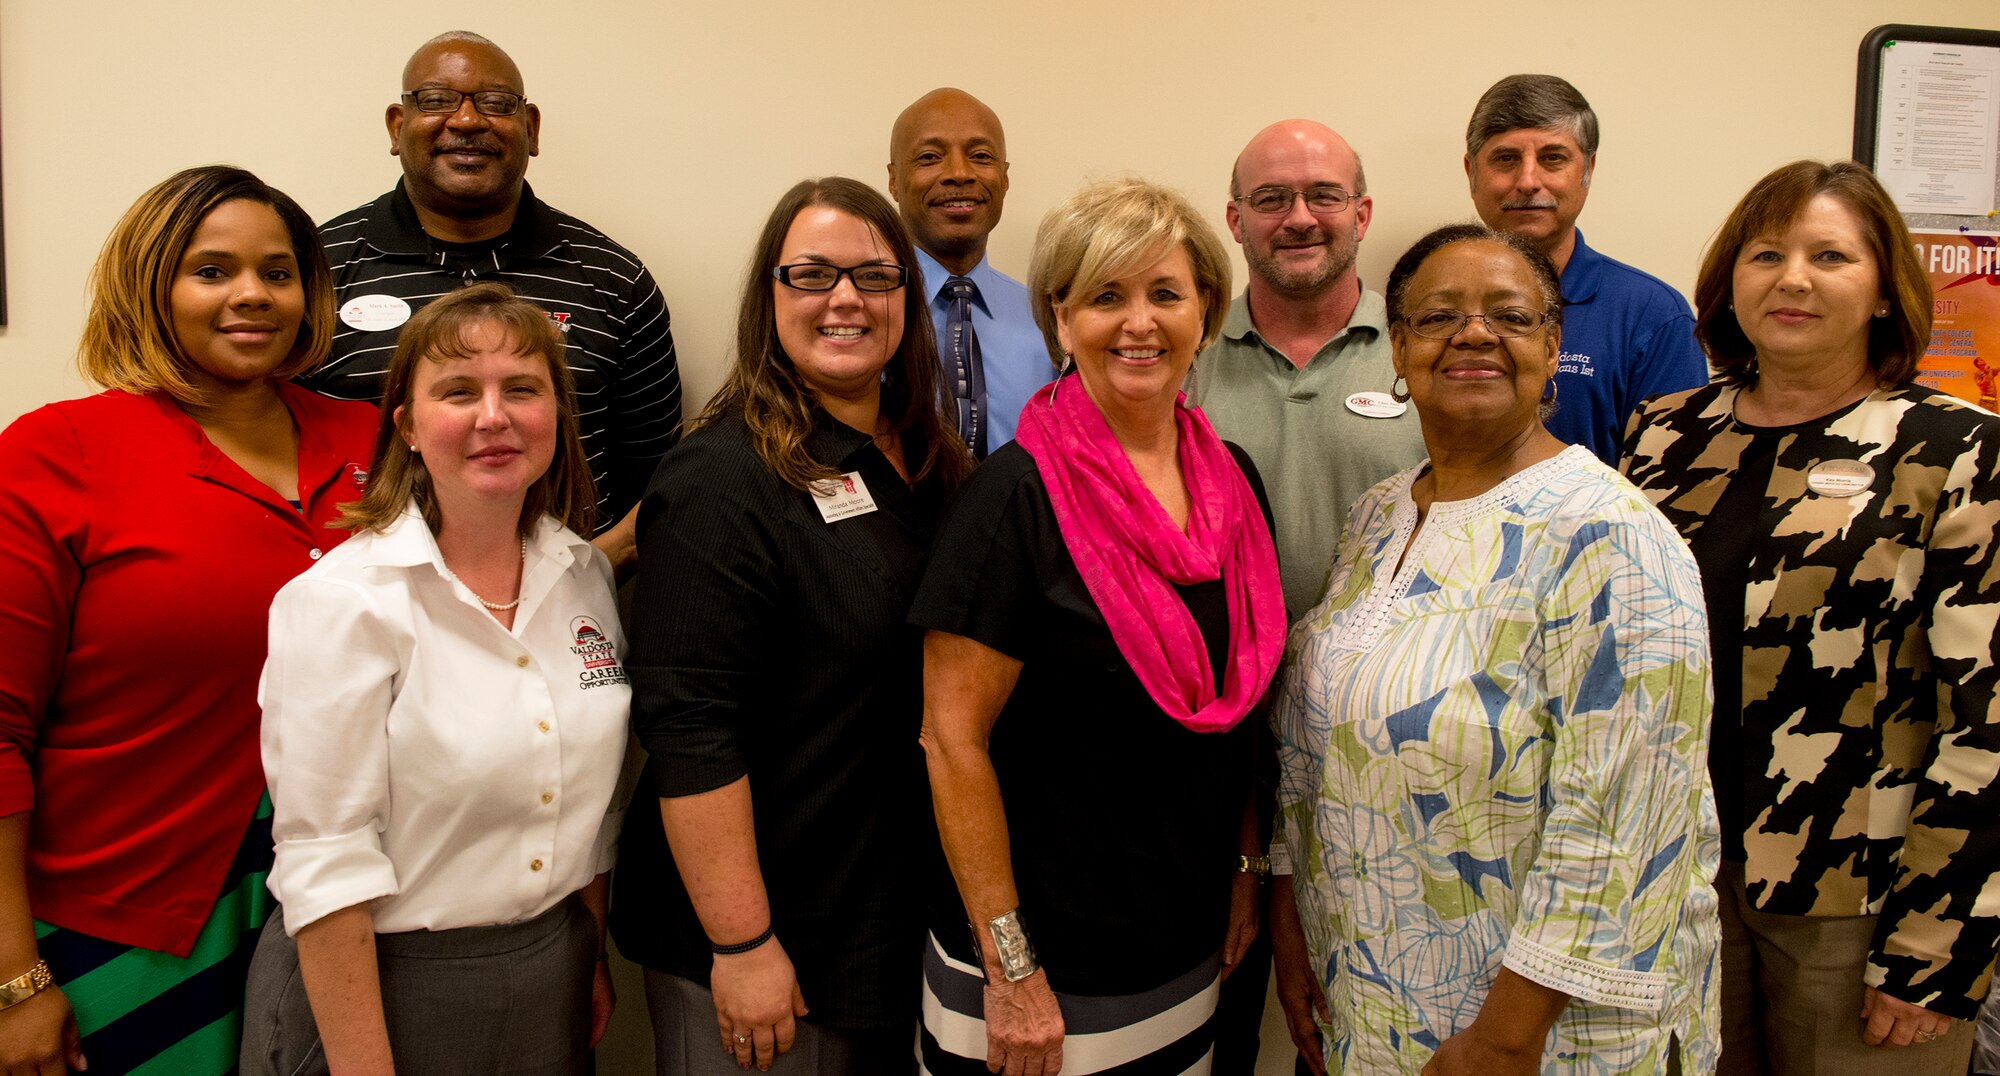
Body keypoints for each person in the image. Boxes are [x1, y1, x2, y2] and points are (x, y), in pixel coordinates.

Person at [1271, 223, 1720, 1075]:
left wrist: (1507, 1036)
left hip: (1538, 1037)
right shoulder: (1378, 516)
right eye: (1438, 317)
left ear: (1552, 348)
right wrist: (1297, 927)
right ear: (1398, 351)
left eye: (1509, 317)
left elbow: (1626, 821)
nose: (1473, 333)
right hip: (1375, 1001)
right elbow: (1315, 744)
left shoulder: (1612, 536)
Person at [1620, 160, 2000, 1074]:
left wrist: (1936, 947)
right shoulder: (1664, 435)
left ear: (1882, 290)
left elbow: (1989, 720)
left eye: (1830, 255)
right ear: (1729, 281)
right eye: (1765, 254)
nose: (1792, 278)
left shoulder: (1956, 447)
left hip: (1861, 903)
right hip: (1677, 880)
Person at [0, 165, 375, 1074]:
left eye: (278, 273)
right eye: (212, 271)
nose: (252, 294)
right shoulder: (58, 453)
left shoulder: (373, 441)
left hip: (340, 908)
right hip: (124, 915)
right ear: (151, 285)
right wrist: (13, 978)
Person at [917, 178, 1286, 1076]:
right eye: (1106, 297)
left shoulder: (1232, 482)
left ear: (1206, 309)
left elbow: (1233, 709)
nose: (1139, 323)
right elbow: (950, 741)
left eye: (1165, 293)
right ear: (1061, 316)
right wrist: (1012, 971)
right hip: (1039, 966)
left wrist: (1243, 871)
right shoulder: (1012, 498)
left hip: (1183, 939)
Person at [611, 176, 971, 1075]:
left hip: (882, 924)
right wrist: (742, 944)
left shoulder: (928, 458)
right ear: (767, 298)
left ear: (905, 300)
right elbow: (689, 729)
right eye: (811, 274)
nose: (844, 298)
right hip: (763, 947)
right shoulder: (718, 481)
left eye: (873, 276)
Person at [243, 283, 628, 1075]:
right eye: (459, 391)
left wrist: (586, 955)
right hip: (379, 987)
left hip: (551, 969)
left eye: (523, 388)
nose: (495, 416)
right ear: (408, 427)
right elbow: (326, 865)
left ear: (557, 414)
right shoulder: (341, 604)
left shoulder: (584, 575)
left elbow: (597, 810)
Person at [307, 30, 683, 573]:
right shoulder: (315, 272)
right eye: (435, 100)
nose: (465, 121)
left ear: (530, 129)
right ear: (397, 125)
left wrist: (576, 582)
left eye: (495, 103)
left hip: (564, 610)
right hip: (367, 608)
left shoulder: (613, 280)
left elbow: (653, 476)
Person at [1192, 119, 1427, 619]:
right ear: (1235, 220)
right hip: (1224, 685)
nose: (1299, 218)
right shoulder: (1185, 359)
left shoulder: (1425, 352)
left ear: (1361, 216)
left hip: (1383, 685)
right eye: (1271, 199)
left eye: (1324, 195)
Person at [1464, 74, 1706, 465]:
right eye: (1506, 159)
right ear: (1470, 172)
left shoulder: (1652, 316)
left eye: (1552, 158)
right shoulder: (1430, 307)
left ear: (1588, 169)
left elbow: (1673, 482)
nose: (1528, 181)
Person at [888, 87, 1053, 457]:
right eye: (929, 157)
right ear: (894, 180)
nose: (959, 174)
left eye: (980, 156)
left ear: (1005, 178)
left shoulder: (1052, 320)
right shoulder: (861, 315)